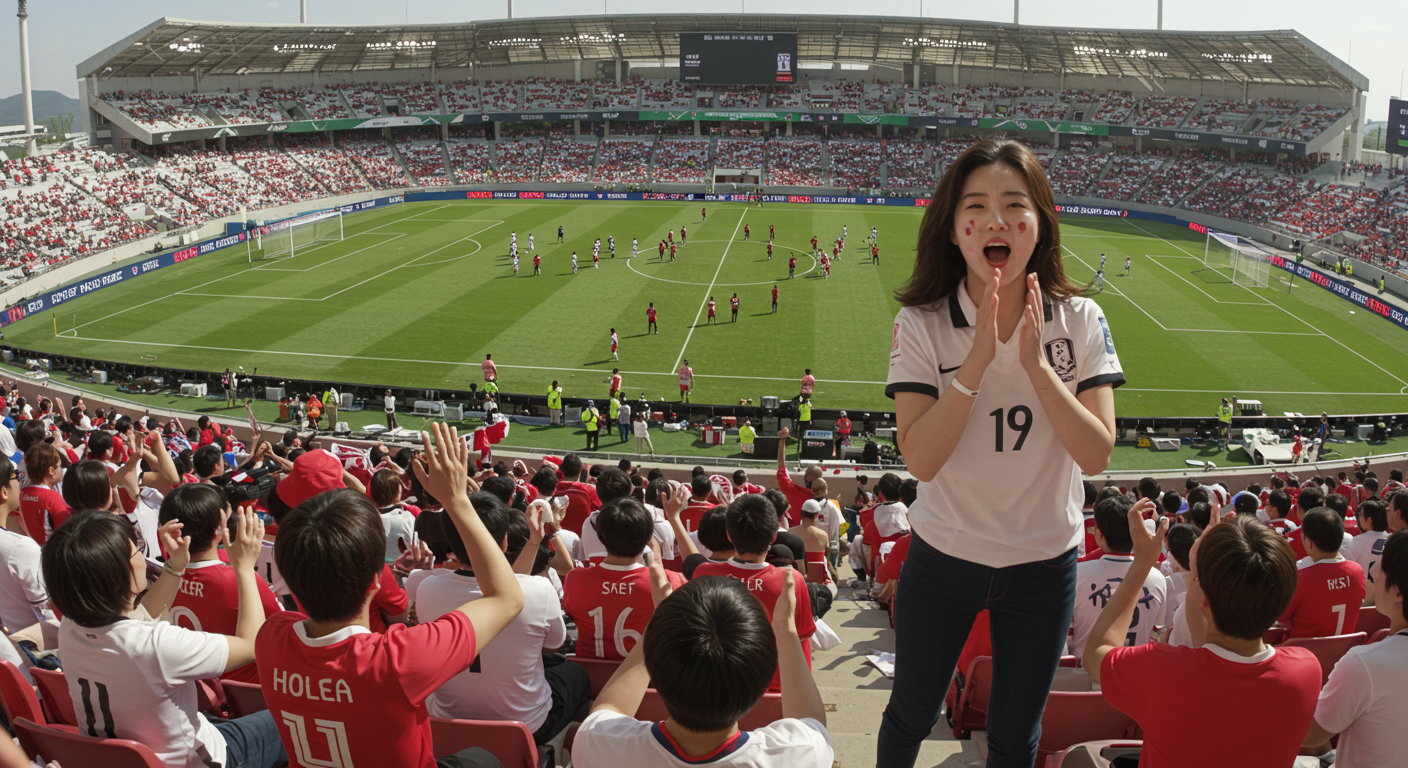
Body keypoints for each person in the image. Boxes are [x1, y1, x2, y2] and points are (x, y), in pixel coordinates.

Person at [879, 139, 1124, 768]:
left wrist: (1038, 368)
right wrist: (977, 365)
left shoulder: (1081, 319)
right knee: (909, 715)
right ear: (954, 229)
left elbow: (1096, 455)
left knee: (1017, 737)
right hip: (945, 554)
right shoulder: (922, 324)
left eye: (1014, 205)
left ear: (1039, 225)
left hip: (1044, 563)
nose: (995, 221)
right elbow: (922, 461)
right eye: (977, 206)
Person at [259, 424, 523, 768]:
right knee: (483, 758)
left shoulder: (272, 636)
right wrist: (456, 500)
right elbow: (507, 599)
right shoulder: (398, 659)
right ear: (375, 582)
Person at [46, 508, 288, 768]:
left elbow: (142, 615)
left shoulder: (70, 627)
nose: (142, 557)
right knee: (290, 721)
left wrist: (174, 567)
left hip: (123, 759)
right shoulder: (158, 645)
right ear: (123, 572)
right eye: (137, 551)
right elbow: (252, 645)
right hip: (201, 761)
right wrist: (243, 567)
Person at [1084, 504, 1321, 768]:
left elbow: (1096, 652)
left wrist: (1142, 563)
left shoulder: (1158, 670)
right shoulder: (1307, 670)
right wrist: (1198, 570)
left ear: (1203, 597)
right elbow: (1210, 655)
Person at [571, 563, 832, 768]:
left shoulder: (598, 743)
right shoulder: (799, 753)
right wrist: (785, 632)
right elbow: (811, 721)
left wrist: (658, 622)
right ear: (764, 680)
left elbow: (608, 708)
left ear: (653, 670)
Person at [414, 493, 588, 746]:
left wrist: (533, 542)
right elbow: (553, 644)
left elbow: (506, 589)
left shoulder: (427, 588)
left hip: (448, 720)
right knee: (576, 673)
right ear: (504, 542)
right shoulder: (538, 588)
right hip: (527, 726)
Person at [157, 484, 286, 684]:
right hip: (247, 690)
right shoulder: (238, 578)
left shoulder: (165, 581)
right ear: (219, 528)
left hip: (195, 688)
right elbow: (282, 630)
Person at [1302, 528, 1408, 766]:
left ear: (1399, 592)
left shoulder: (1365, 664)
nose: (1373, 570)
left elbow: (1310, 735)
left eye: (1383, 565)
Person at [693, 495, 817, 692]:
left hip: (717, 691)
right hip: (776, 690)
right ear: (774, 536)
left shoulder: (703, 573)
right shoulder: (791, 581)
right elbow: (801, 643)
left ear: (729, 535)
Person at [564, 497, 688, 661]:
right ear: (647, 538)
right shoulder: (671, 581)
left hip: (587, 678)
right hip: (645, 680)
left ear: (600, 537)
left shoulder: (575, 579)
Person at [1067, 494, 1166, 661]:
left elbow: (1066, 636)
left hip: (1083, 676)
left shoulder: (1076, 575)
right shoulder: (1157, 577)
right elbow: (1157, 632)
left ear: (1099, 534)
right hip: (1136, 675)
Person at [1279, 507, 1366, 639]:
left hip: (1302, 653)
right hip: (1344, 652)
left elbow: (1282, 619)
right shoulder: (1357, 571)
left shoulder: (1299, 577)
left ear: (1309, 542)